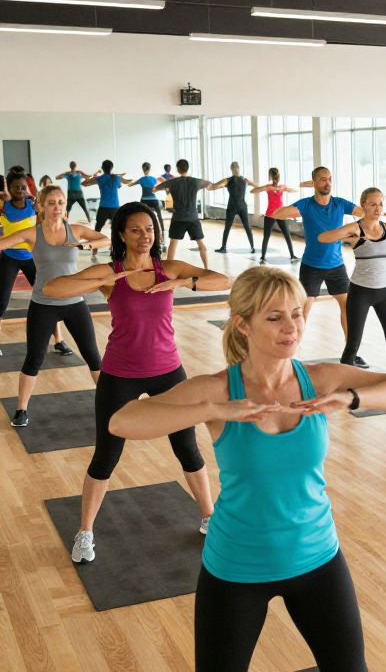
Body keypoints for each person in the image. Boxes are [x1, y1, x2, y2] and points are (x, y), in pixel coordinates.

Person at [108, 265, 386, 672]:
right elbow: (123, 421)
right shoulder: (218, 388)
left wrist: (351, 398)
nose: (291, 327)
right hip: (237, 568)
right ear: (243, 324)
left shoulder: (320, 378)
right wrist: (213, 410)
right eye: (274, 318)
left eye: (296, 314)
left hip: (316, 559)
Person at [44, 201, 228, 562]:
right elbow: (52, 289)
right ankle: (85, 532)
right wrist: (102, 280)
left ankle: (210, 518)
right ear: (122, 235)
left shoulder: (168, 268)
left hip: (168, 372)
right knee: (106, 456)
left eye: (150, 229)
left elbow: (222, 281)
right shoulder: (110, 273)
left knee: (187, 448)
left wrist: (182, 281)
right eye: (136, 230)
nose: (145, 236)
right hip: (120, 375)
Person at [0, 185, 109, 427]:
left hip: (74, 302)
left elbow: (106, 239)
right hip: (43, 304)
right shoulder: (33, 233)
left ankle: (108, 405)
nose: (57, 207)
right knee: (34, 358)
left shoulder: (75, 230)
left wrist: (86, 245)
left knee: (93, 356)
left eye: (60, 202)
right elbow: (3, 243)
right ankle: (21, 409)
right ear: (40, 206)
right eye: (51, 203)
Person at [318, 188, 386, 372]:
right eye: (373, 204)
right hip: (360, 292)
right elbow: (323, 237)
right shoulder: (355, 228)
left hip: (385, 293)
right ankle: (342, 383)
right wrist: (346, 235)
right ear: (364, 206)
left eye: (380, 204)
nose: (378, 208)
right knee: (353, 345)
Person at [272, 166, 366, 365]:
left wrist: (356, 229)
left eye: (329, 178)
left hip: (336, 265)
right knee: (303, 311)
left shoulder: (339, 204)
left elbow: (364, 213)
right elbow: (277, 213)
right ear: (314, 183)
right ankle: (292, 354)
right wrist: (293, 208)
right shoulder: (306, 205)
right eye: (323, 179)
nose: (327, 182)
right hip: (311, 266)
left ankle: (351, 352)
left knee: (347, 308)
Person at [0, 174, 81, 360]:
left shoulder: (33, 205)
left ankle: (59, 340)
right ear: (9, 189)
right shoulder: (4, 206)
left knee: (49, 294)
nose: (20, 190)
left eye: (23, 187)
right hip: (10, 258)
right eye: (16, 187)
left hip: (32, 257)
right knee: (1, 301)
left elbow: (47, 220)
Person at [154, 159, 212, 269]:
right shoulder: (196, 181)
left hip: (178, 218)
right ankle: (207, 268)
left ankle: (168, 270)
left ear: (177, 169)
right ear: (187, 168)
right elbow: (210, 185)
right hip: (193, 218)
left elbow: (154, 189)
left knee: (173, 244)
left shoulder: (172, 182)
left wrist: (163, 184)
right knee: (201, 245)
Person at [252, 167, 298, 263]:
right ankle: (292, 255)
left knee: (267, 236)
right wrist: (287, 188)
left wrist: (261, 187)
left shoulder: (269, 187)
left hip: (273, 214)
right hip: (278, 214)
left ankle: (263, 257)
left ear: (271, 176)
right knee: (286, 235)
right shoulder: (280, 187)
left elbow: (253, 191)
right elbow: (294, 190)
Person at [209, 162, 256, 254]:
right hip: (242, 206)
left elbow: (214, 186)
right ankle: (252, 247)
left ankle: (223, 247)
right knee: (247, 227)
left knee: (227, 227)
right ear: (239, 168)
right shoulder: (245, 180)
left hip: (232, 207)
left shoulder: (228, 180)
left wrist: (208, 186)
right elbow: (257, 185)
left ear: (231, 169)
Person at [82, 160, 128, 240]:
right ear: (112, 168)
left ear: (102, 168)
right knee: (116, 228)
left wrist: (95, 176)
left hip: (104, 206)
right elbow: (119, 186)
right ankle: (115, 245)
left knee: (98, 228)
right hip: (115, 207)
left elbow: (84, 183)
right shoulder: (116, 178)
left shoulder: (99, 178)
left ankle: (94, 244)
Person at [123, 162, 166, 244]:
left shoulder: (141, 179)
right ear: (150, 169)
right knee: (159, 218)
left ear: (143, 169)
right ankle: (162, 237)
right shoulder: (154, 179)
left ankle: (141, 235)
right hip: (154, 200)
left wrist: (128, 180)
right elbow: (164, 182)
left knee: (142, 218)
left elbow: (130, 185)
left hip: (144, 201)